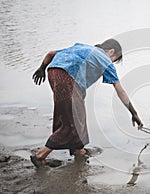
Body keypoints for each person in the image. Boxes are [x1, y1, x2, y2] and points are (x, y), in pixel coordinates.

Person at [31, 39, 143, 168]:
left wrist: (41, 69)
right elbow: (120, 91)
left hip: (53, 72)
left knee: (76, 115)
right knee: (71, 120)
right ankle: (40, 155)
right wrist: (133, 113)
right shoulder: (105, 60)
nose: (113, 62)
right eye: (115, 59)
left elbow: (51, 54)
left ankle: (79, 150)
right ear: (111, 52)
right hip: (68, 79)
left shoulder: (82, 47)